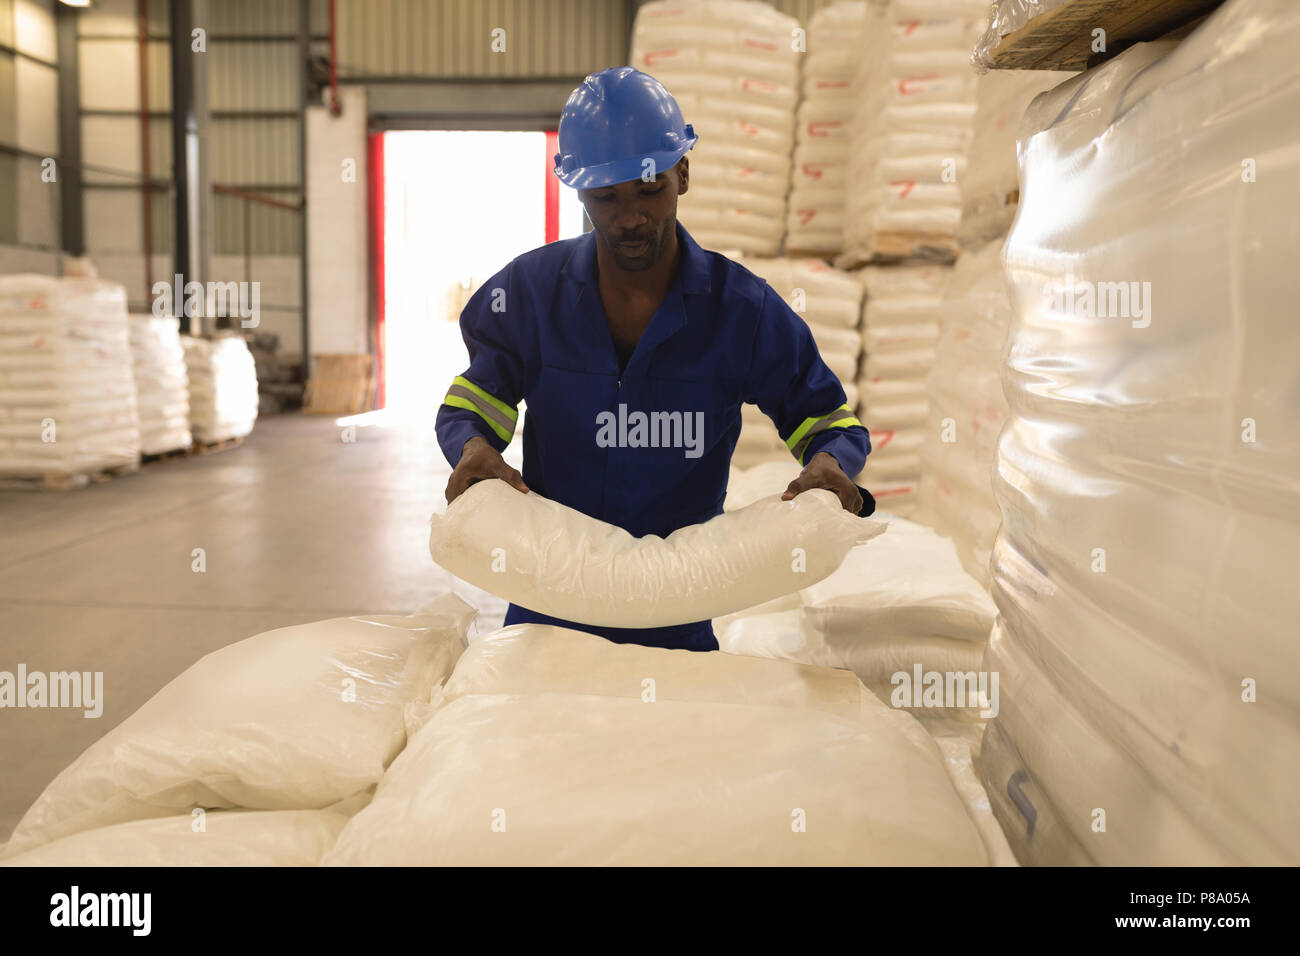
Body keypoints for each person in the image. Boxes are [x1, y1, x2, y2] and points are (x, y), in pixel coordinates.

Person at [436, 66, 873, 652]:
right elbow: (479, 396)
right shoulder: (529, 293)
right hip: (547, 607)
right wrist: (473, 447)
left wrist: (830, 463)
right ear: (577, 189)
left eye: (649, 190)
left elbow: (821, 415)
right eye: (606, 197)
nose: (630, 216)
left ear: (683, 174)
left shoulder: (741, 310)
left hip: (680, 611)